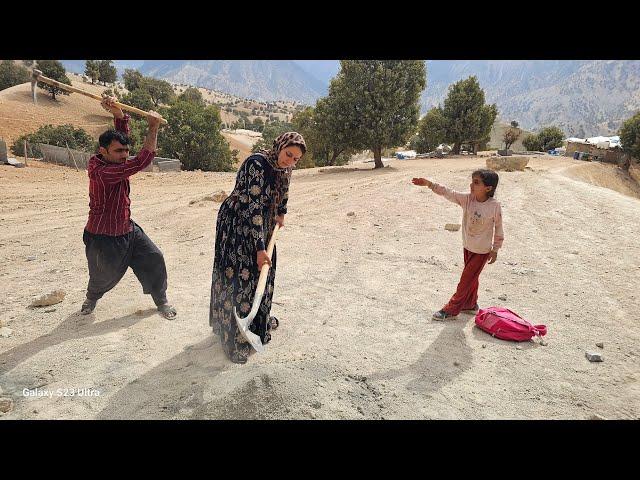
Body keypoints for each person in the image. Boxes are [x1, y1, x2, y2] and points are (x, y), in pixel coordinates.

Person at [210, 132, 306, 364]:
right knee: (240, 276)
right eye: (288, 154)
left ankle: (257, 321)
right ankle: (233, 338)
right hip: (238, 222)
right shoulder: (257, 164)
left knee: (263, 274)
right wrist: (259, 248)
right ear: (279, 147)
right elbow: (252, 209)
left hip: (262, 222)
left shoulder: (286, 167)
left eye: (295, 159)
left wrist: (281, 212)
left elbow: (284, 191)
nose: (290, 161)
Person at [80, 96, 177, 320]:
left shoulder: (113, 162)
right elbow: (142, 161)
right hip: (103, 236)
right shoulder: (102, 172)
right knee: (102, 276)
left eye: (126, 150)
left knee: (154, 258)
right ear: (103, 151)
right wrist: (153, 127)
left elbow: (122, 136)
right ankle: (92, 297)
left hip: (127, 228)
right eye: (118, 151)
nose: (124, 155)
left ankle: (160, 300)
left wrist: (117, 113)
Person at [412, 169, 504, 320]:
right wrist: (429, 184)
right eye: (472, 181)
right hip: (467, 246)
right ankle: (470, 304)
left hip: (482, 251)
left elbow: (499, 227)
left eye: (476, 183)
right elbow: (449, 192)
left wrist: (495, 249)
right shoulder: (467, 199)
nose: (471, 185)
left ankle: (451, 309)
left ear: (488, 188)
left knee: (466, 279)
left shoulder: (494, 206)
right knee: (472, 278)